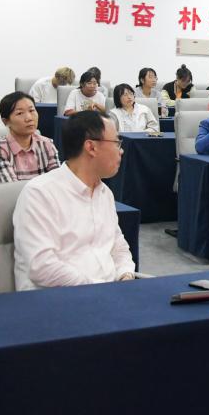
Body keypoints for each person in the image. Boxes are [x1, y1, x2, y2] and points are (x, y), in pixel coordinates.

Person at [11, 111, 135, 290]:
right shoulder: (40, 194)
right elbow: (42, 267)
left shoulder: (104, 193)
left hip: (107, 293)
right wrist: (102, 288)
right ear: (91, 147)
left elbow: (118, 247)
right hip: (58, 298)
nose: (121, 150)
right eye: (117, 143)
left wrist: (125, 275)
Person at [0, 92, 60, 183]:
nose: (29, 118)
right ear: (6, 121)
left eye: (31, 110)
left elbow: (58, 181)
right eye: (20, 113)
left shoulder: (47, 143)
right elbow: (10, 186)